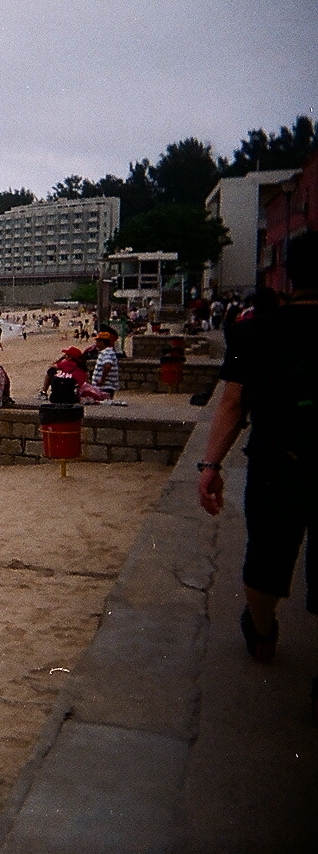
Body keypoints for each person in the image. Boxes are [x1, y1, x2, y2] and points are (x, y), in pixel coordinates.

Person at [199, 235, 317, 715]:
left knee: (265, 559)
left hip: (276, 460)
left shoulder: (257, 331)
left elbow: (231, 404)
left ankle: (263, 628)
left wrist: (210, 466)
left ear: (286, 275)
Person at [88, 328, 121, 400]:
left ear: (102, 342)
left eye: (97, 342)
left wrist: (102, 380)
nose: (95, 344)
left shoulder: (106, 353)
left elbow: (107, 366)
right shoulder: (107, 352)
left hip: (105, 387)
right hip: (104, 386)